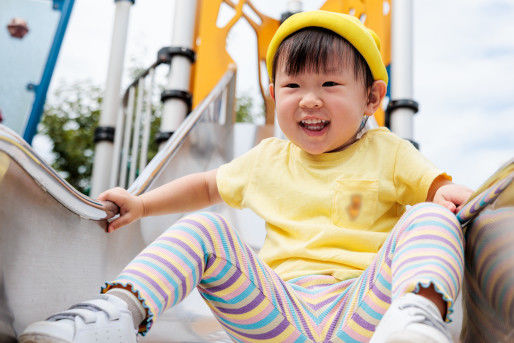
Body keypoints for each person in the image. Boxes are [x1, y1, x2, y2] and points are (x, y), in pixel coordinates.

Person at [20, 10, 473, 343]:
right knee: (209, 225)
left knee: (430, 217)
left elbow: (441, 190)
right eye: (294, 86)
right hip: (276, 313)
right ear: (275, 96)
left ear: (372, 98)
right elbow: (204, 186)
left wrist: (458, 200)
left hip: (366, 312)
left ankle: (415, 322)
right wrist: (142, 204)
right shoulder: (266, 159)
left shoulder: (389, 152)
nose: (309, 100)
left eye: (330, 85)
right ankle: (115, 313)